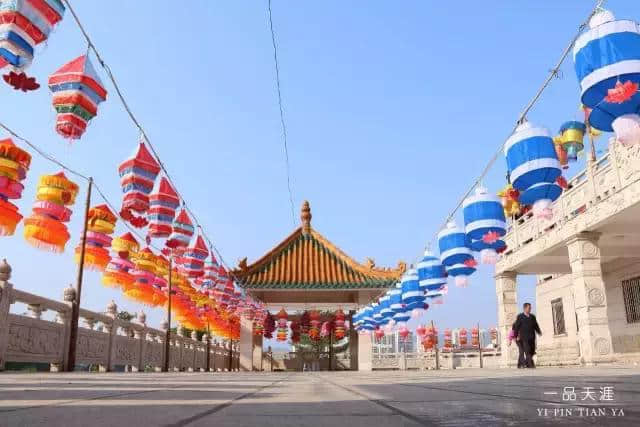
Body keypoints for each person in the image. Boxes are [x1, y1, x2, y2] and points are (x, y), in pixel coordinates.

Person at [512, 302, 542, 368]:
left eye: (530, 308)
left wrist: (539, 332)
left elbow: (536, 325)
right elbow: (516, 327)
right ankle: (530, 365)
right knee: (527, 350)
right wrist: (515, 336)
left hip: (532, 337)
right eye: (529, 308)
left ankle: (522, 364)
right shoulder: (520, 316)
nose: (530, 309)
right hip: (524, 338)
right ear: (525, 308)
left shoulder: (532, 317)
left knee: (532, 350)